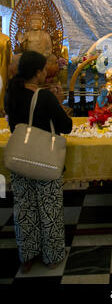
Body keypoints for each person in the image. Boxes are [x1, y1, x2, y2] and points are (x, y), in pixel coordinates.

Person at [5, 50, 73, 273]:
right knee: (49, 209)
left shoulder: (11, 93)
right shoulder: (44, 97)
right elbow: (66, 126)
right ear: (37, 72)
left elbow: (12, 125)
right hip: (44, 160)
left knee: (24, 209)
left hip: (20, 159)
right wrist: (60, 102)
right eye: (44, 69)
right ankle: (52, 256)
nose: (47, 72)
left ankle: (27, 255)